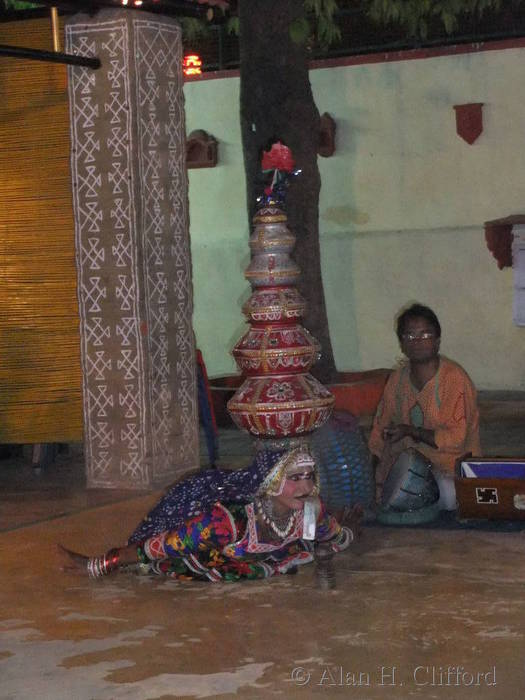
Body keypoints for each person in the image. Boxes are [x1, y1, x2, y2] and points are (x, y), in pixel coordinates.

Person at [59, 447, 359, 582]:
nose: (306, 486)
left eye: (309, 476)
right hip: (213, 555)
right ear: (271, 483)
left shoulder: (309, 509)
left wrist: (345, 533)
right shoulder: (228, 521)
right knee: (170, 559)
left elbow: (331, 535)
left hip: (264, 565)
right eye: (295, 478)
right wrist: (101, 564)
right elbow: (161, 545)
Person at [369, 304, 481, 511]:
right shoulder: (397, 380)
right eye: (409, 336)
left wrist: (411, 431)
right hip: (406, 466)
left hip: (448, 469)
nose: (417, 341)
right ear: (401, 343)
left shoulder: (454, 379)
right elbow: (379, 430)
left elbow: (457, 439)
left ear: (437, 341)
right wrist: (373, 471)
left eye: (425, 334)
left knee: (448, 495)